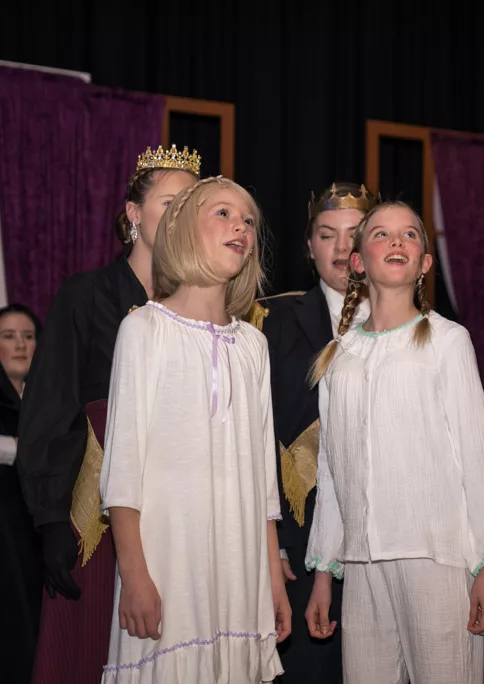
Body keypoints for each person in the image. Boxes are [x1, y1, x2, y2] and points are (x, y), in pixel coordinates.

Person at [16, 145, 200, 684]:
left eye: (193, 206)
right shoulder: (86, 296)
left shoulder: (205, 311)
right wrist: (51, 519)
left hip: (178, 516)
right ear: (133, 214)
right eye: (170, 203)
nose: (181, 218)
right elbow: (49, 408)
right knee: (85, 651)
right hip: (92, 518)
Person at [305, 201, 484, 684]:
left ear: (425, 263)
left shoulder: (447, 341)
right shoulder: (339, 354)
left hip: (435, 557)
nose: (396, 242)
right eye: (380, 234)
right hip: (361, 563)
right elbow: (333, 474)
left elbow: (478, 457)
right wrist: (322, 574)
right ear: (357, 261)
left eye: (410, 235)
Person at [100, 176, 291, 683]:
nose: (242, 227)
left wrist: (273, 577)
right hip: (169, 562)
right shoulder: (145, 330)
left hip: (240, 567)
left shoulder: (253, 345)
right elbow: (121, 470)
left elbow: (262, 479)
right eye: (224, 214)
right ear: (183, 229)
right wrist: (134, 575)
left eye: (248, 219)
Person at [247, 182, 378, 683]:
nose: (343, 249)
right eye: (328, 235)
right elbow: (253, 438)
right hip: (300, 546)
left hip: (387, 539)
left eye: (354, 234)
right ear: (309, 247)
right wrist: (271, 544)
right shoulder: (268, 320)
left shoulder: (418, 327)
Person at [0, 304, 43, 683]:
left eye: (28, 337)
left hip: (39, 540)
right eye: (8, 336)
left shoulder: (48, 403)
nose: (20, 345)